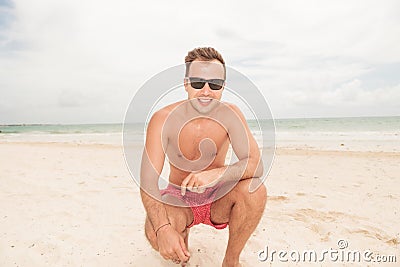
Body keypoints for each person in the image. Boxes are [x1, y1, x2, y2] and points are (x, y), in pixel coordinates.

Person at [140, 47, 267, 267]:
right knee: (153, 230)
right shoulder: (163, 119)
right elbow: (148, 180)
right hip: (179, 199)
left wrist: (216, 174)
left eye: (215, 84)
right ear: (186, 84)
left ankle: (231, 261)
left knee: (255, 190)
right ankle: (182, 251)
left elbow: (256, 165)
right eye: (198, 83)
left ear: (223, 87)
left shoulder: (231, 115)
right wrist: (163, 229)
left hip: (218, 195)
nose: (206, 91)